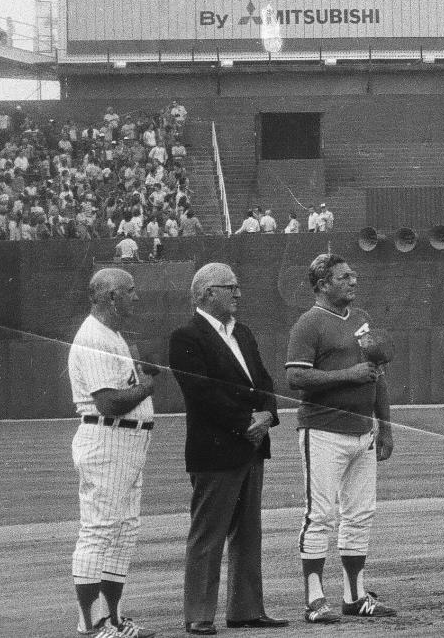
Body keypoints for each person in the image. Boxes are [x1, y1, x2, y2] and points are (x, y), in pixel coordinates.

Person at [167, 263, 285, 634]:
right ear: (206, 294)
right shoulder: (186, 336)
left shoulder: (244, 334)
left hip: (250, 445)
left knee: (249, 531)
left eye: (237, 286)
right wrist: (245, 423)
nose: (238, 293)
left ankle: (246, 609)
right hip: (217, 449)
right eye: (230, 287)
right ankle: (199, 613)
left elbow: (264, 380)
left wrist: (267, 415)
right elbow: (201, 393)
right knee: (209, 532)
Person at [284, 253, 397, 622]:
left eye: (353, 275)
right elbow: (296, 378)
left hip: (362, 431)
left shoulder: (362, 319)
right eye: (344, 276)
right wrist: (348, 375)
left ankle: (354, 595)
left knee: (360, 514)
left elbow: (376, 374)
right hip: (322, 430)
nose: (353, 281)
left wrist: (385, 426)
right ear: (322, 285)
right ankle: (314, 600)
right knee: (320, 515)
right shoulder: (309, 323)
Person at [68, 267, 159, 638]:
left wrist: (140, 377)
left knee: (123, 531)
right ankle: (89, 624)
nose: (136, 297)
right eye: (130, 291)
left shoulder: (114, 335)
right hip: (107, 438)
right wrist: (147, 387)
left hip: (128, 441)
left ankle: (115, 619)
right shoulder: (93, 336)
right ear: (110, 297)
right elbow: (107, 402)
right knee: (100, 529)